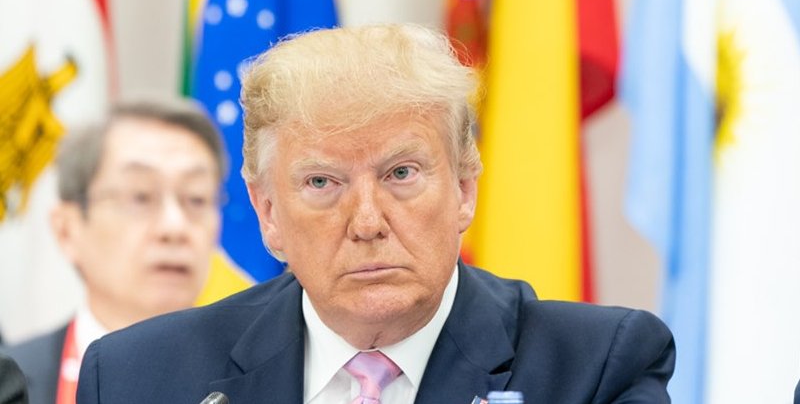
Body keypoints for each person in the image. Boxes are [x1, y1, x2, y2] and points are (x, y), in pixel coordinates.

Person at [76, 24, 675, 403]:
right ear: (268, 214)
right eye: (321, 182)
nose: (367, 222)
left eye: (401, 175)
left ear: (465, 189)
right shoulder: (138, 377)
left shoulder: (596, 368)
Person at [3, 99, 225, 404]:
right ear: (67, 229)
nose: (175, 227)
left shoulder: (266, 376)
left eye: (197, 199)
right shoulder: (10, 383)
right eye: (140, 196)